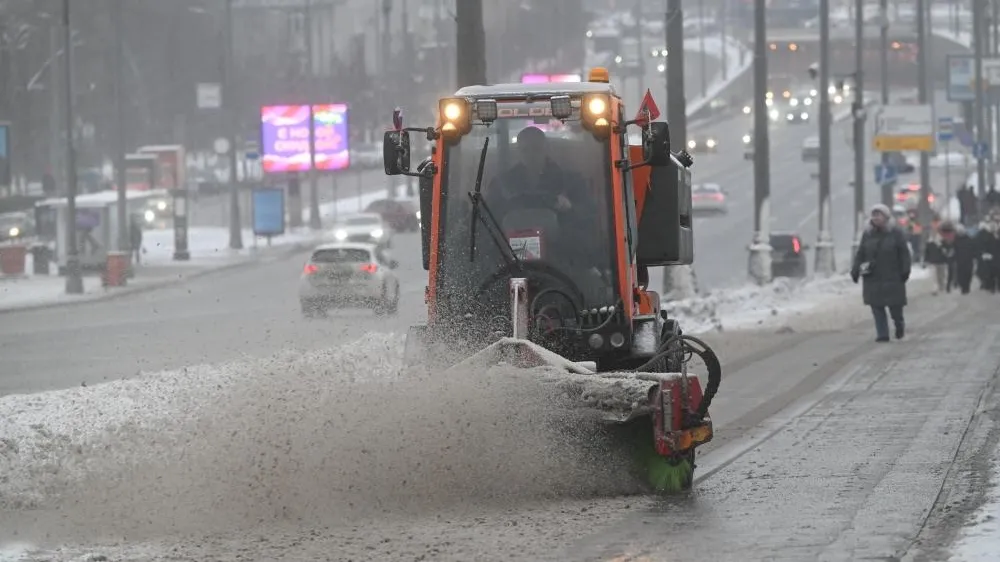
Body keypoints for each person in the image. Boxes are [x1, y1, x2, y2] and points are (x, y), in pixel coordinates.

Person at [851, 203, 912, 342]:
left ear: (886, 217)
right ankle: (882, 334)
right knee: (876, 306)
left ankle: (899, 325)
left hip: (893, 276)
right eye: (874, 215)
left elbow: (904, 254)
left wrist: (905, 271)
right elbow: (861, 254)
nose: (876, 218)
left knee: (895, 307)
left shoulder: (896, 233)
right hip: (873, 278)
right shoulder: (868, 234)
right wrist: (855, 270)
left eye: (879, 215)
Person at [924, 221, 955, 295]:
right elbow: (927, 251)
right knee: (935, 277)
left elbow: (927, 251)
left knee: (940, 276)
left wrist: (926, 259)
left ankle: (941, 286)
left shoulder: (941, 240)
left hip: (939, 261)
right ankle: (936, 288)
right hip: (936, 261)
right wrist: (926, 259)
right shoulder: (931, 241)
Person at [953, 223, 977, 294]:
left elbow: (973, 248)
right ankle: (964, 287)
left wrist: (974, 256)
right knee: (961, 274)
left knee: (968, 274)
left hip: (967, 260)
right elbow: (953, 250)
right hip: (960, 260)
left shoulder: (968, 239)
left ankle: (966, 286)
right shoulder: (955, 240)